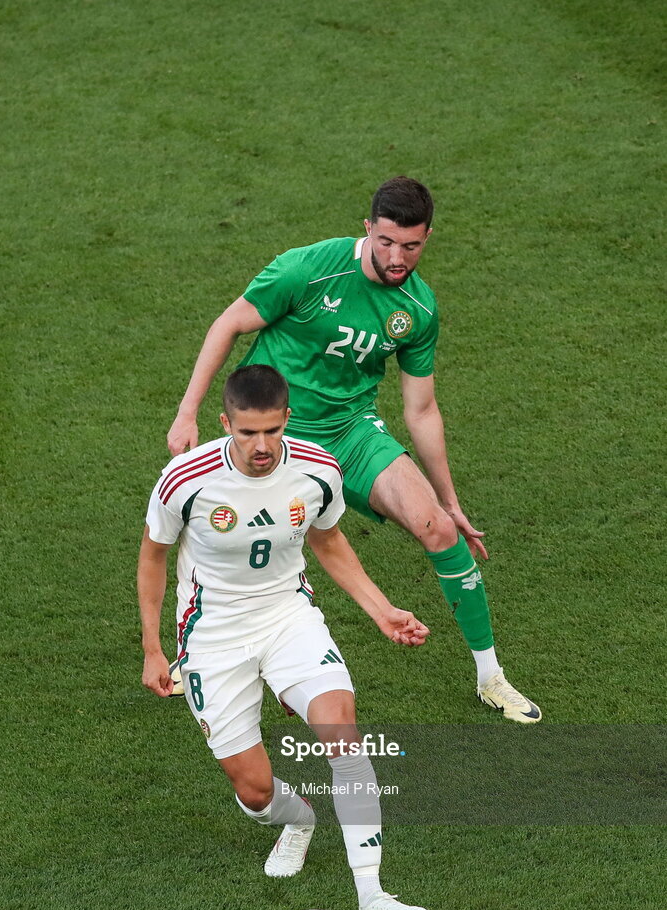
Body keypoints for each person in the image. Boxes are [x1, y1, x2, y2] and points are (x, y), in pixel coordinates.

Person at [167, 176, 541, 723]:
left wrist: (450, 499)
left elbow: (421, 409)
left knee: (436, 527)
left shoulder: (417, 308)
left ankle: (491, 676)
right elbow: (228, 324)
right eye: (387, 241)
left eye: (411, 246)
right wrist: (186, 411)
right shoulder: (308, 268)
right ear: (368, 229)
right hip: (279, 436)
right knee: (224, 534)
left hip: (351, 430)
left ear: (427, 238)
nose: (397, 256)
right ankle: (192, 648)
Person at [139, 364, 430, 910]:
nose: (262, 446)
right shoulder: (186, 480)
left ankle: (371, 896)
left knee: (341, 728)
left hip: (287, 615)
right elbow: (153, 557)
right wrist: (153, 648)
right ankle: (298, 821)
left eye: (272, 431)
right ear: (226, 424)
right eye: (248, 433)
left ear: (286, 420)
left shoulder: (317, 469)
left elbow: (327, 539)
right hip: (212, 634)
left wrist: (381, 608)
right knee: (253, 790)